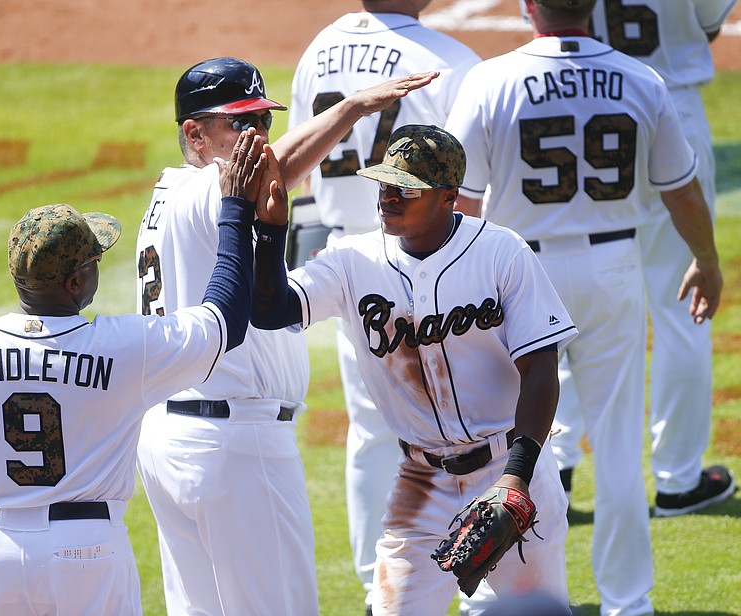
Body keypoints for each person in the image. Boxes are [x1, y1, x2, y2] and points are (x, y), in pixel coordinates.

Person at [444, 1, 723, 614]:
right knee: (619, 441)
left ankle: (508, 599)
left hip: (517, 270)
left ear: (527, 6)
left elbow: (458, 202)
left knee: (510, 440)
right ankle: (630, 602)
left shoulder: (490, 79)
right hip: (612, 267)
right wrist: (706, 255)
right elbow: (680, 188)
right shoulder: (641, 78)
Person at [135, 56, 438, 616]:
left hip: (175, 435)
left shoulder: (167, 196)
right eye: (238, 123)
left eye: (263, 121)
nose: (256, 137)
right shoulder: (207, 190)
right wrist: (350, 110)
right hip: (234, 442)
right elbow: (276, 173)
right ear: (194, 134)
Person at [250, 123, 578, 615]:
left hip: (510, 471)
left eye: (406, 188)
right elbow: (270, 310)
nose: (388, 196)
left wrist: (517, 476)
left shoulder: (500, 251)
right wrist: (272, 233)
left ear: (449, 197)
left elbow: (540, 370)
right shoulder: (351, 261)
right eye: (384, 183)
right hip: (420, 483)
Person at [0, 127, 269, 616]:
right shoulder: (123, 346)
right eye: (96, 260)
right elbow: (226, 320)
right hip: (86, 552)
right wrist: (236, 211)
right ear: (76, 281)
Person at [288, 2, 481, 610]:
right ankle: (486, 587)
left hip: (353, 256)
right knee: (476, 428)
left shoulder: (317, 49)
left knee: (373, 430)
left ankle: (382, 590)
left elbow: (299, 162)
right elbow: (469, 187)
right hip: (441, 254)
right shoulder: (451, 61)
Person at [549, 0, 738, 517]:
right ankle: (679, 478)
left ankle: (556, 471)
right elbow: (710, 23)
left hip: (579, 116)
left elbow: (549, 21)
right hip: (670, 104)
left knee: (564, 293)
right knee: (682, 307)